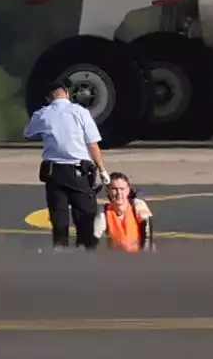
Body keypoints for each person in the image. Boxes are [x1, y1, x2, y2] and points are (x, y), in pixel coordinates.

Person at [24, 82, 111, 250]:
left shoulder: (43, 114)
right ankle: (86, 254)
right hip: (79, 172)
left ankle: (60, 253)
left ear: (49, 98)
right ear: (67, 95)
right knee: (85, 217)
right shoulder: (80, 112)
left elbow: (28, 133)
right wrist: (102, 170)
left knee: (59, 219)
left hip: (54, 173)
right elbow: (92, 144)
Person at [93, 171, 155, 252]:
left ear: (128, 190)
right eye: (114, 189)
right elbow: (93, 238)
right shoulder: (104, 213)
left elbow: (147, 225)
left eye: (122, 189)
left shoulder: (137, 205)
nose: (119, 193)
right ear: (108, 191)